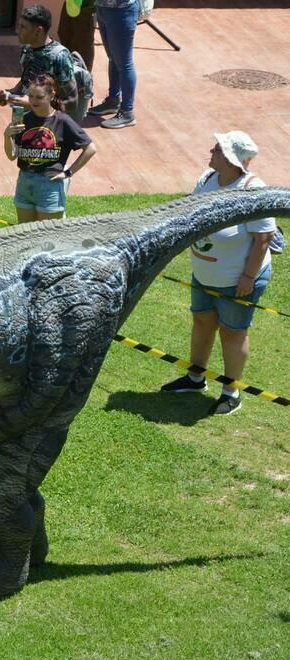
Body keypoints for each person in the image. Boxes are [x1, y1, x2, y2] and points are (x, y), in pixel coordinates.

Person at [160, 131, 276, 416]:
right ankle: (195, 378)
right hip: (205, 274)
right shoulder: (208, 179)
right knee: (201, 322)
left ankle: (231, 392)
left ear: (231, 159)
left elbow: (263, 238)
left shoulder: (253, 190)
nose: (211, 151)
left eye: (218, 149)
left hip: (238, 280)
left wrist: (247, 278)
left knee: (232, 332)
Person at [3, 73, 97, 223]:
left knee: (48, 240)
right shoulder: (24, 119)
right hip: (24, 181)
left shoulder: (62, 121)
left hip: (49, 185)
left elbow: (90, 148)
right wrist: (7, 136)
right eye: (31, 96)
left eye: (39, 97)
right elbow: (12, 155)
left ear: (51, 95)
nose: (33, 101)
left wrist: (68, 173)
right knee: (24, 237)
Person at [0, 4, 79, 119]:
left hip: (48, 127)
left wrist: (33, 104)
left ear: (38, 31)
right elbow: (26, 81)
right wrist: (10, 94)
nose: (18, 31)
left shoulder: (60, 57)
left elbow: (71, 102)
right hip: (23, 120)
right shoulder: (27, 49)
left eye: (23, 27)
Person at [88, 0, 138, 129]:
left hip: (122, 11)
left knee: (124, 64)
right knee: (113, 58)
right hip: (103, 8)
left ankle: (127, 112)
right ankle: (113, 101)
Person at [57, 0, 96, 71]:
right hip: (70, 4)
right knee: (63, 33)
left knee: (84, 43)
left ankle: (85, 76)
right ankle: (70, 68)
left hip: (86, 7)